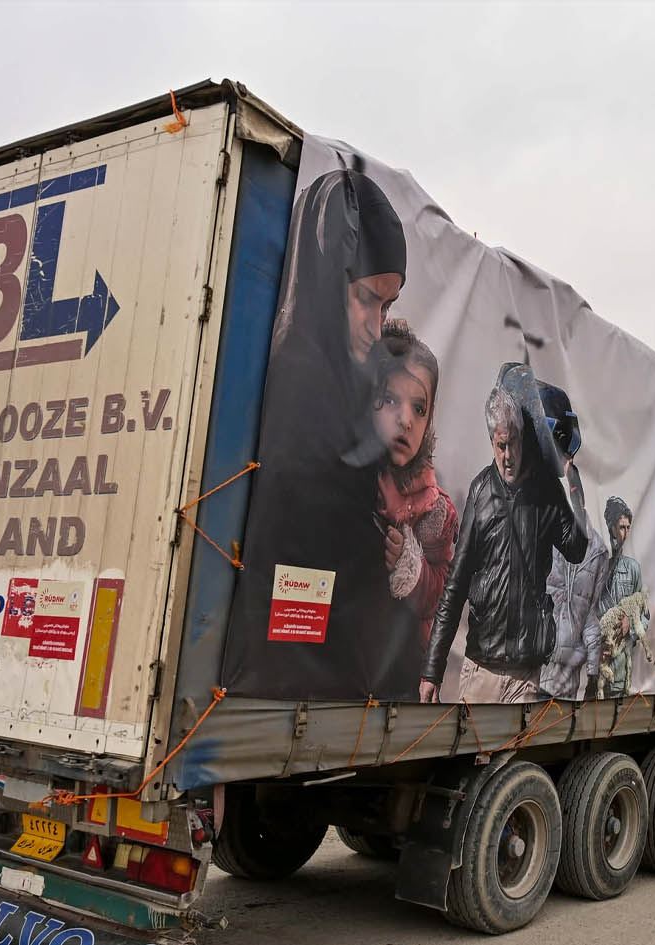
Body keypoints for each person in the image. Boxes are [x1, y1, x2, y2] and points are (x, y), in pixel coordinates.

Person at [225, 167, 419, 701]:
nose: (376, 326)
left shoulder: (344, 375)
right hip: (295, 672)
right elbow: (308, 527)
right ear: (323, 275)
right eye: (365, 298)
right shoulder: (303, 377)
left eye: (388, 305)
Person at [419, 382, 587, 703]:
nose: (507, 456)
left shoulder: (547, 490)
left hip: (526, 673)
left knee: (515, 756)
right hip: (482, 669)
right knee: (476, 755)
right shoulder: (481, 491)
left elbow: (576, 549)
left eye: (513, 444)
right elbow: (456, 584)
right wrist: (432, 670)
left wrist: (575, 490)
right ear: (491, 441)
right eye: (500, 445)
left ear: (524, 437)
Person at [370, 320, 458, 652]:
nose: (406, 419)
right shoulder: (350, 476)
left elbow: (441, 595)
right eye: (391, 400)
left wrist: (411, 567)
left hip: (398, 667)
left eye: (419, 408)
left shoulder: (435, 508)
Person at [539, 465, 611, 700]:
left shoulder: (599, 552)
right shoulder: (545, 530)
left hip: (566, 678)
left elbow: (590, 614)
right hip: (539, 667)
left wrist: (592, 673)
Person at [597, 496, 647, 698]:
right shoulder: (598, 568)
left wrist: (630, 626)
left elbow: (646, 617)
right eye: (620, 527)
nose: (624, 534)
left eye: (628, 528)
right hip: (595, 670)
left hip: (620, 675)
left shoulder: (633, 569)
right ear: (610, 529)